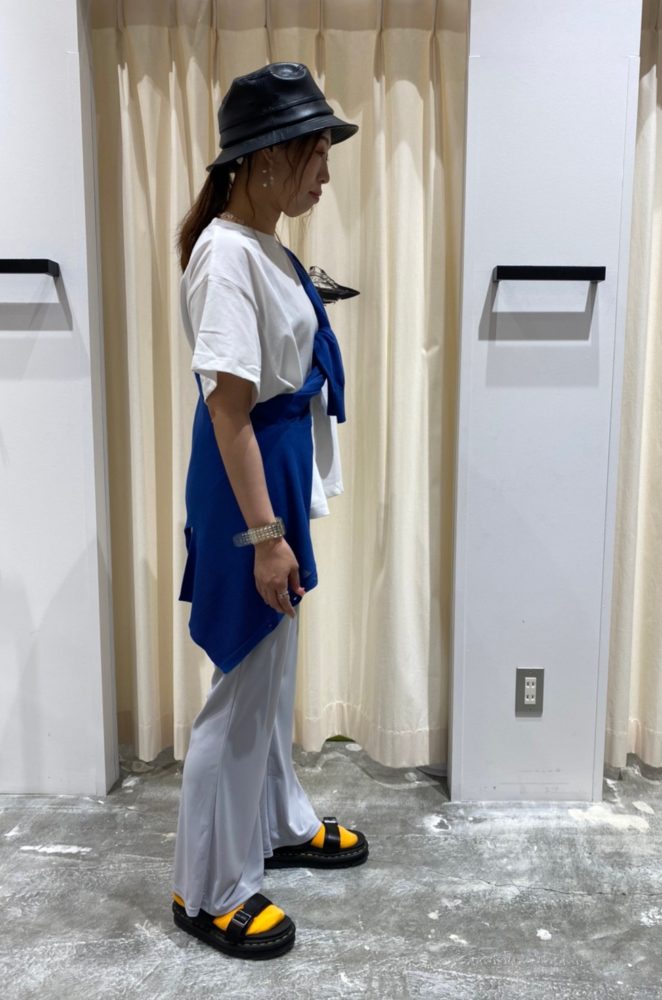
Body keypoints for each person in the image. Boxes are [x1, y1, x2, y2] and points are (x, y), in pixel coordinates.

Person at [170, 62, 368, 961]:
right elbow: (227, 410)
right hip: (245, 488)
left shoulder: (268, 246)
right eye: (313, 152)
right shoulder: (225, 256)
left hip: (271, 477)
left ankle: (279, 823)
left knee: (270, 674)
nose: (324, 171)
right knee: (242, 684)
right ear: (262, 159)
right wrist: (263, 537)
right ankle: (206, 888)